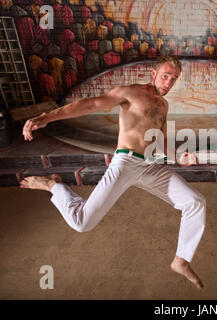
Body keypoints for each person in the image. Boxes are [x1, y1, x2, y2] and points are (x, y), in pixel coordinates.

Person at [20, 56, 206, 289]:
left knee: (195, 202)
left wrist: (180, 157)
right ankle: (53, 186)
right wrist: (47, 117)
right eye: (165, 76)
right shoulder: (130, 92)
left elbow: (164, 141)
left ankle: (180, 261)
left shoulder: (164, 105)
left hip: (150, 167)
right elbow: (89, 105)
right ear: (154, 73)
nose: (168, 83)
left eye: (174, 79)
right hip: (126, 163)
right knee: (81, 223)